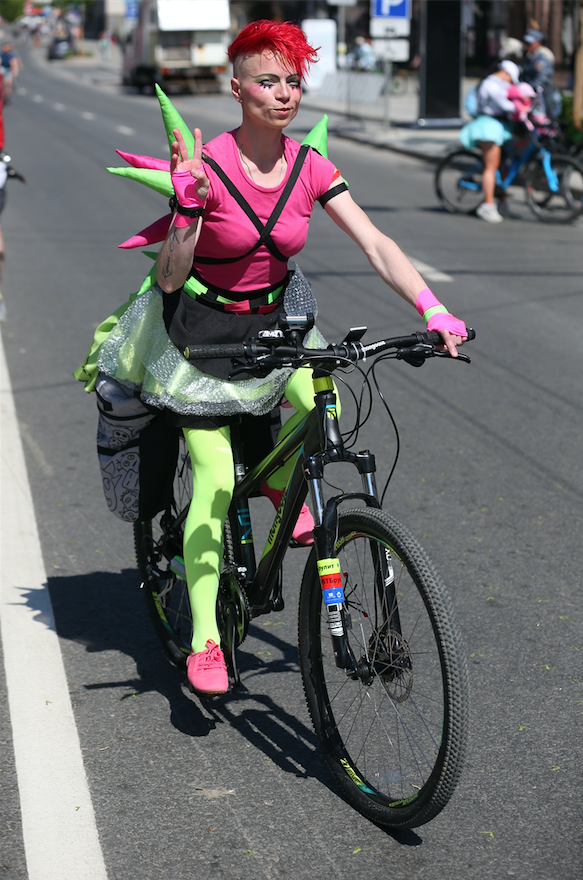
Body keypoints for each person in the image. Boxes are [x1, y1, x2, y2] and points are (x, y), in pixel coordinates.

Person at [78, 20, 467, 696]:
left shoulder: (310, 166)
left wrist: (431, 309)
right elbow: (169, 279)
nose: (284, 93)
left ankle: (285, 487)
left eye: (292, 81)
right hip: (198, 331)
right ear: (237, 89)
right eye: (267, 81)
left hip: (278, 321)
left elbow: (375, 243)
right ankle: (205, 636)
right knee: (212, 477)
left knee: (322, 406)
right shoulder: (208, 166)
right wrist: (188, 211)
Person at [459, 60, 521, 224]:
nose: (510, 82)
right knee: (491, 167)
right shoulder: (490, 84)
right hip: (488, 128)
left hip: (498, 128)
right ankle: (487, 206)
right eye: (511, 78)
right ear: (505, 73)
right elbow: (504, 104)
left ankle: (500, 200)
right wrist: (522, 107)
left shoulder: (499, 84)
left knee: (502, 165)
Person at [521, 28, 559, 120]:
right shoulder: (527, 59)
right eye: (526, 43)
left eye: (530, 43)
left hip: (542, 99)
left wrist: (526, 89)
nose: (527, 45)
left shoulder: (542, 60)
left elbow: (541, 79)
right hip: (528, 96)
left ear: (538, 43)